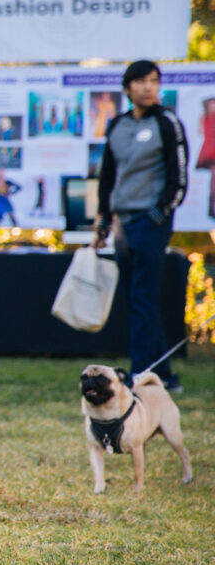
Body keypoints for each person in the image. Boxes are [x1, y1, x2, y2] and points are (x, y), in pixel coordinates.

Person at [94, 60, 188, 393]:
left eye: (154, 81)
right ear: (128, 87)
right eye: (142, 81)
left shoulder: (168, 123)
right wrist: (104, 219)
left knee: (141, 297)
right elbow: (108, 175)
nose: (148, 87)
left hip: (151, 223)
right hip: (122, 223)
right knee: (140, 298)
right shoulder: (117, 124)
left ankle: (138, 377)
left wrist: (159, 213)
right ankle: (163, 375)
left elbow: (179, 179)